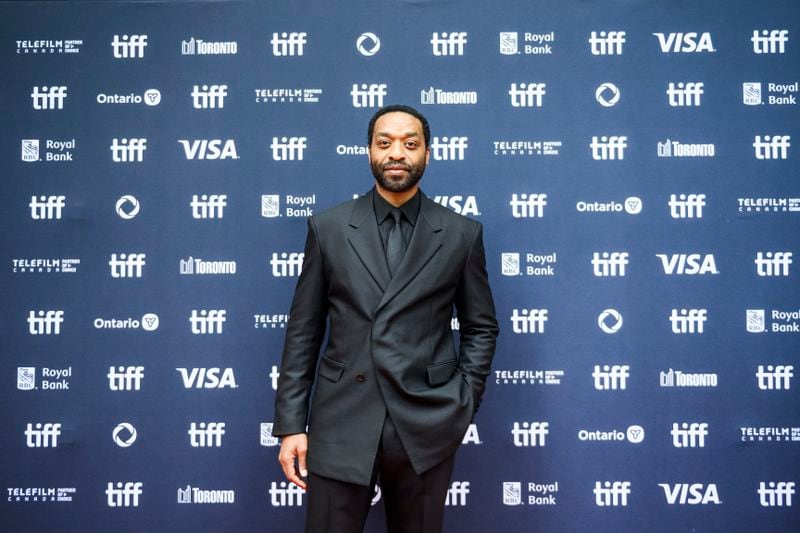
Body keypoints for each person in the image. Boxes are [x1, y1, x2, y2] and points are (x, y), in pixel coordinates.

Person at [273, 104, 499, 533]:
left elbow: (480, 327)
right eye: (385, 143)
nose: (397, 153)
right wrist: (290, 425)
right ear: (369, 152)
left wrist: (463, 402)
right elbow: (303, 331)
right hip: (341, 419)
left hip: (426, 421)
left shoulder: (460, 233)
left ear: (428, 154)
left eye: (410, 144)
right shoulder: (330, 227)